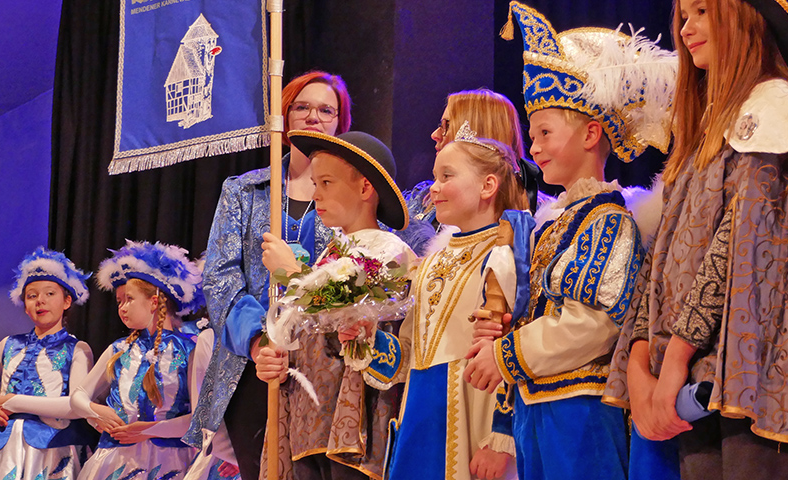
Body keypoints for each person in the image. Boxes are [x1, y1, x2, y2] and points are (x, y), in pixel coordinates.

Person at [605, 0, 788, 480]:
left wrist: (673, 362)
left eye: (701, 12)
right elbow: (662, 257)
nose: (686, 29)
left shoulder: (773, 109)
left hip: (759, 387)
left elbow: (739, 250)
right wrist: (640, 363)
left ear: (742, 19)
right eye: (683, 16)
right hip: (699, 384)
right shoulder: (703, 134)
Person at [463, 0, 676, 480]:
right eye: (532, 133)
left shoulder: (608, 220)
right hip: (539, 405)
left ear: (591, 134)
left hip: (580, 412)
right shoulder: (556, 221)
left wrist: (506, 355)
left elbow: (593, 324)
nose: (534, 147)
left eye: (544, 132)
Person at [334, 122, 532, 480]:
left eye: (447, 176)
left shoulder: (506, 253)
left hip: (474, 416)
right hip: (421, 419)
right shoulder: (429, 264)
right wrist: (368, 340)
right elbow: (413, 355)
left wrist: (502, 437)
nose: (433, 187)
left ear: (488, 186)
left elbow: (515, 345)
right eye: (434, 176)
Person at [186, 71, 351, 480]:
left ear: (340, 122)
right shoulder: (244, 191)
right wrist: (259, 341)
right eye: (302, 107)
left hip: (328, 367)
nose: (313, 117)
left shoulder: (354, 196)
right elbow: (221, 278)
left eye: (326, 110)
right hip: (256, 365)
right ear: (284, 116)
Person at [257, 130, 415, 480]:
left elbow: (352, 316)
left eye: (326, 183)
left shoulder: (391, 252)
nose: (316, 195)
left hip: (353, 429)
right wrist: (278, 360)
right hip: (308, 425)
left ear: (365, 188)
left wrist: (293, 274)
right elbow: (306, 332)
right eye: (315, 184)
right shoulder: (328, 256)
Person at [73, 241, 204, 480]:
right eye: (119, 302)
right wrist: (97, 412)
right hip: (116, 459)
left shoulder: (188, 350)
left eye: (129, 299)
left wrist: (150, 430)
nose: (122, 308)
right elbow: (77, 397)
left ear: (154, 302)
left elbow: (199, 418)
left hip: (170, 460)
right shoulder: (119, 349)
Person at [0, 248, 94, 480]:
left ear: (67, 301)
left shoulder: (77, 349)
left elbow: (76, 406)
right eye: (32, 296)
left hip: (51, 448)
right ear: (25, 306)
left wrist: (14, 402)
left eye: (50, 294)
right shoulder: (9, 344)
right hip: (3, 448)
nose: (40, 301)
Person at [399, 89, 540, 256]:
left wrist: (422, 244)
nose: (435, 135)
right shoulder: (423, 197)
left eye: (446, 126)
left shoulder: (533, 216)